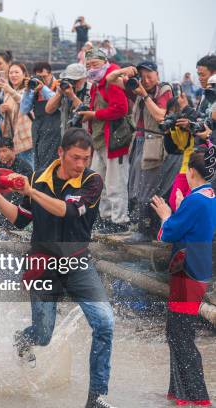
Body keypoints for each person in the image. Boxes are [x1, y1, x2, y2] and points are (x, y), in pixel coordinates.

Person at [0, 128, 115, 408]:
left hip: (77, 262)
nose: (80, 164)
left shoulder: (92, 181)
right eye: (75, 158)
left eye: (86, 158)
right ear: (60, 153)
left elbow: (67, 211)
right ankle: (22, 340)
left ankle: (97, 398)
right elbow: (21, 219)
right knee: (43, 335)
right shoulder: (38, 177)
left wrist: (31, 191)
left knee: (105, 323)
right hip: (43, 264)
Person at [150, 150, 216, 407]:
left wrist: (167, 213)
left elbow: (169, 232)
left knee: (180, 334)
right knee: (176, 331)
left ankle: (198, 397)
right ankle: (178, 393)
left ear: (191, 171)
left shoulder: (195, 200)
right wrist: (179, 208)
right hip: (196, 268)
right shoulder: (208, 196)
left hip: (186, 270)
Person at [109, 61, 179, 242]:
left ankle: (144, 231)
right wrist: (125, 71)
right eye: (143, 76)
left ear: (157, 74)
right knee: (136, 186)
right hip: (139, 141)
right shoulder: (137, 86)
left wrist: (144, 96)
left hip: (155, 142)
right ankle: (144, 228)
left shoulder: (164, 90)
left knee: (147, 187)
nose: (146, 80)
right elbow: (110, 79)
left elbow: (161, 116)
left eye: (150, 76)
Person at [77, 50, 130, 233]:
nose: (91, 68)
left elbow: (121, 109)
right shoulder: (95, 84)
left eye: (95, 64)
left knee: (116, 182)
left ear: (105, 62)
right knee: (99, 181)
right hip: (99, 140)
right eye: (88, 65)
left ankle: (120, 221)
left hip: (114, 139)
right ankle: (106, 218)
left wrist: (94, 114)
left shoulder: (112, 80)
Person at [20, 62, 60, 171]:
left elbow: (56, 101)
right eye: (39, 77)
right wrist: (28, 91)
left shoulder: (59, 85)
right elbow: (24, 109)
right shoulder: (34, 88)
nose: (41, 80)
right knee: (38, 160)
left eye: (44, 77)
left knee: (50, 161)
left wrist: (43, 88)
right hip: (38, 128)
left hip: (54, 128)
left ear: (50, 73)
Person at [0, 62, 34, 168]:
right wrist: (3, 111)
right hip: (16, 140)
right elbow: (7, 119)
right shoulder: (7, 94)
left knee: (30, 170)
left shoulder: (28, 90)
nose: (13, 75)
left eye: (17, 72)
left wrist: (9, 89)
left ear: (24, 74)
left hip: (28, 138)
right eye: (11, 73)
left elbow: (24, 103)